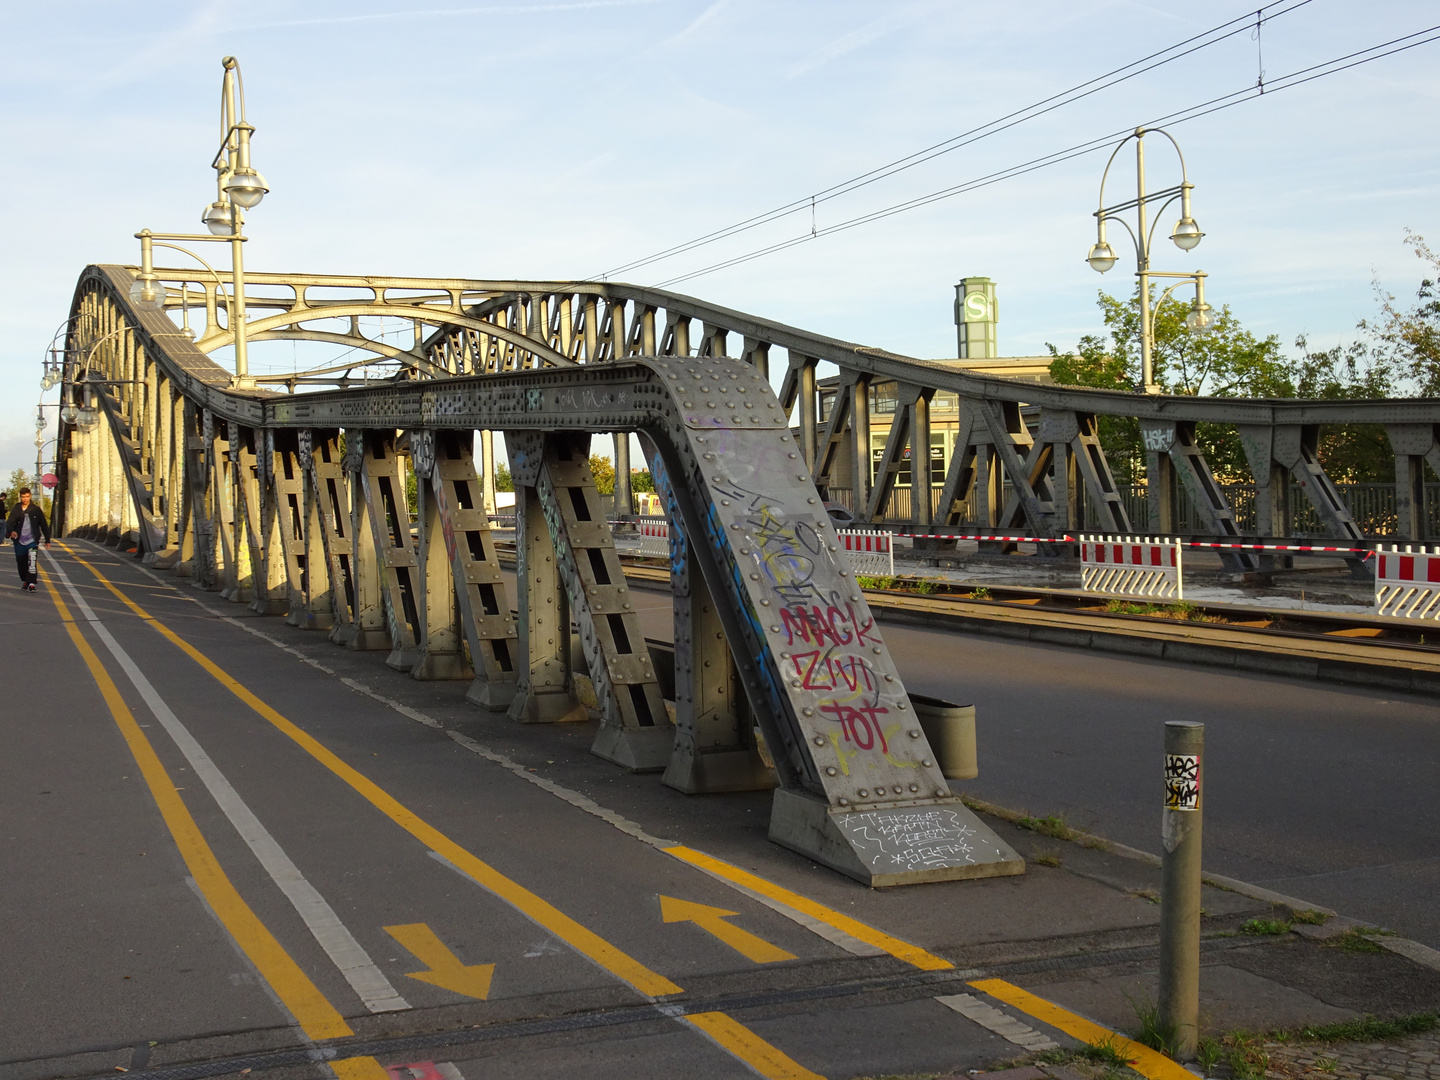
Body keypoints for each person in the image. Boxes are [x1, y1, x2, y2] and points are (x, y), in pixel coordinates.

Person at [6, 488, 50, 592]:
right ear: (20, 497)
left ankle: (31, 583)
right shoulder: (16, 509)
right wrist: (12, 531)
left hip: (32, 541)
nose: (25, 499)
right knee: (22, 563)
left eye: (27, 496)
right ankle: (26, 581)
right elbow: (9, 523)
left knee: (32, 562)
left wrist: (47, 540)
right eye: (23, 497)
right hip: (19, 541)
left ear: (30, 496)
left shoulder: (35, 509)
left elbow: (43, 524)